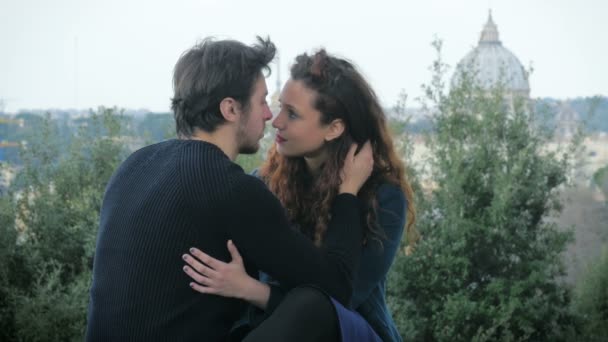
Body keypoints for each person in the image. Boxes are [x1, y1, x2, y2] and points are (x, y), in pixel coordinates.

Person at [85, 37, 374, 342]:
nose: (268, 115)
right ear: (231, 109)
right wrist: (347, 192)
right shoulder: (231, 189)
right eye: (262, 101)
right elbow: (336, 287)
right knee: (316, 306)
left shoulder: (133, 166)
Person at [183, 49, 417, 341]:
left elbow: (338, 303)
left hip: (350, 331)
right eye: (279, 107)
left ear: (333, 128)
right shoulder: (265, 183)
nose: (276, 121)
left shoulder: (383, 197)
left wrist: (251, 290)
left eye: (292, 114)